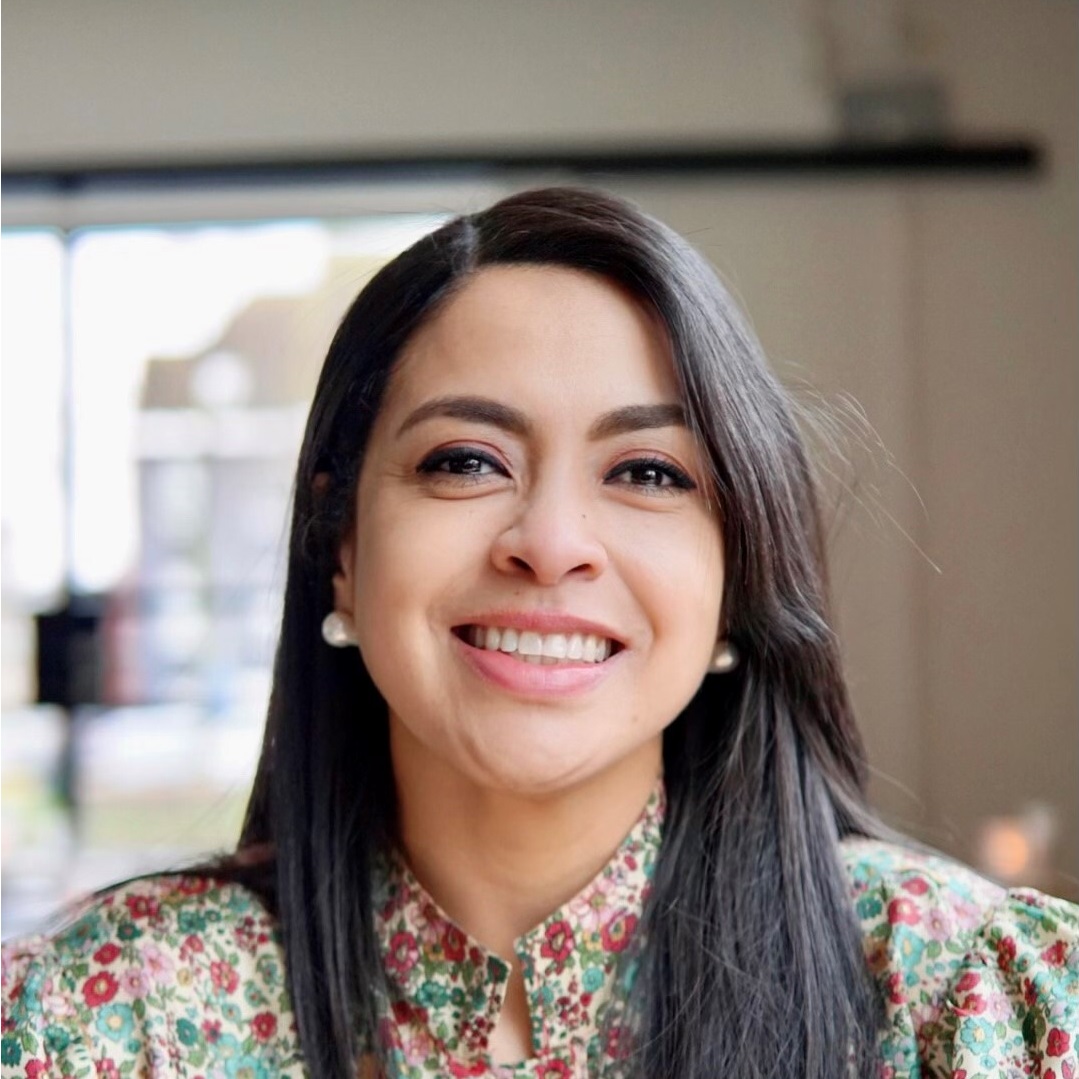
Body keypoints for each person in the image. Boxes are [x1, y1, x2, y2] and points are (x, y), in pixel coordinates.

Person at [2, 187, 1076, 1079]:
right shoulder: (108, 1020)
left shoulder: (972, 1003)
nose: (551, 542)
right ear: (340, 541)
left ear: (734, 577)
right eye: (465, 460)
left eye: (648, 472)